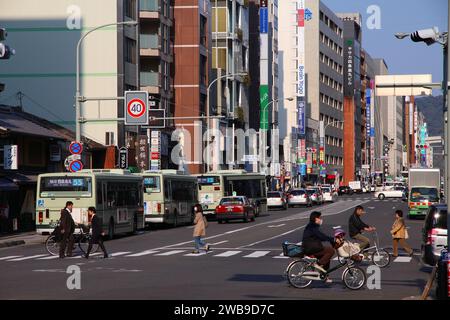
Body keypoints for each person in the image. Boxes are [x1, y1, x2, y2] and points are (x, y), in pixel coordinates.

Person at [302, 211, 339, 283]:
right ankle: (318, 264)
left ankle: (325, 276)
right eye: (319, 218)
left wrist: (331, 239)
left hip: (312, 246)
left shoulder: (312, 225)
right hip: (311, 248)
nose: (321, 219)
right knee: (331, 251)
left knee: (327, 258)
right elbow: (321, 236)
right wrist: (333, 239)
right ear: (316, 219)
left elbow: (321, 237)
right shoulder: (313, 226)